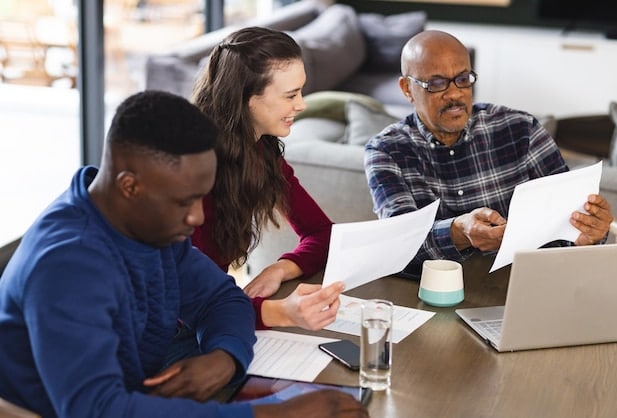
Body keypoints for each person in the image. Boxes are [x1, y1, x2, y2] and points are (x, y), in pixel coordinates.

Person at [0, 90, 368, 418]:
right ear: (130, 185)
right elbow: (100, 409)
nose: (198, 217)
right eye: (185, 201)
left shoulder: (145, 222)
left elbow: (223, 298)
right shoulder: (68, 267)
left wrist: (225, 356)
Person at [364, 30, 614, 277]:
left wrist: (590, 233)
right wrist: (457, 232)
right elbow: (397, 247)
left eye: (462, 79)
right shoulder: (387, 151)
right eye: (436, 84)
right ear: (407, 88)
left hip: (528, 285)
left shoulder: (521, 128)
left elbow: (568, 228)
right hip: (434, 297)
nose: (454, 94)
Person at [190, 27, 342, 329]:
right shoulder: (193, 167)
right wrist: (283, 312)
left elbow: (324, 233)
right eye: (290, 95)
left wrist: (280, 269)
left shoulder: (261, 152)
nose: (302, 105)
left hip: (214, 312)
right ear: (246, 98)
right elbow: (188, 298)